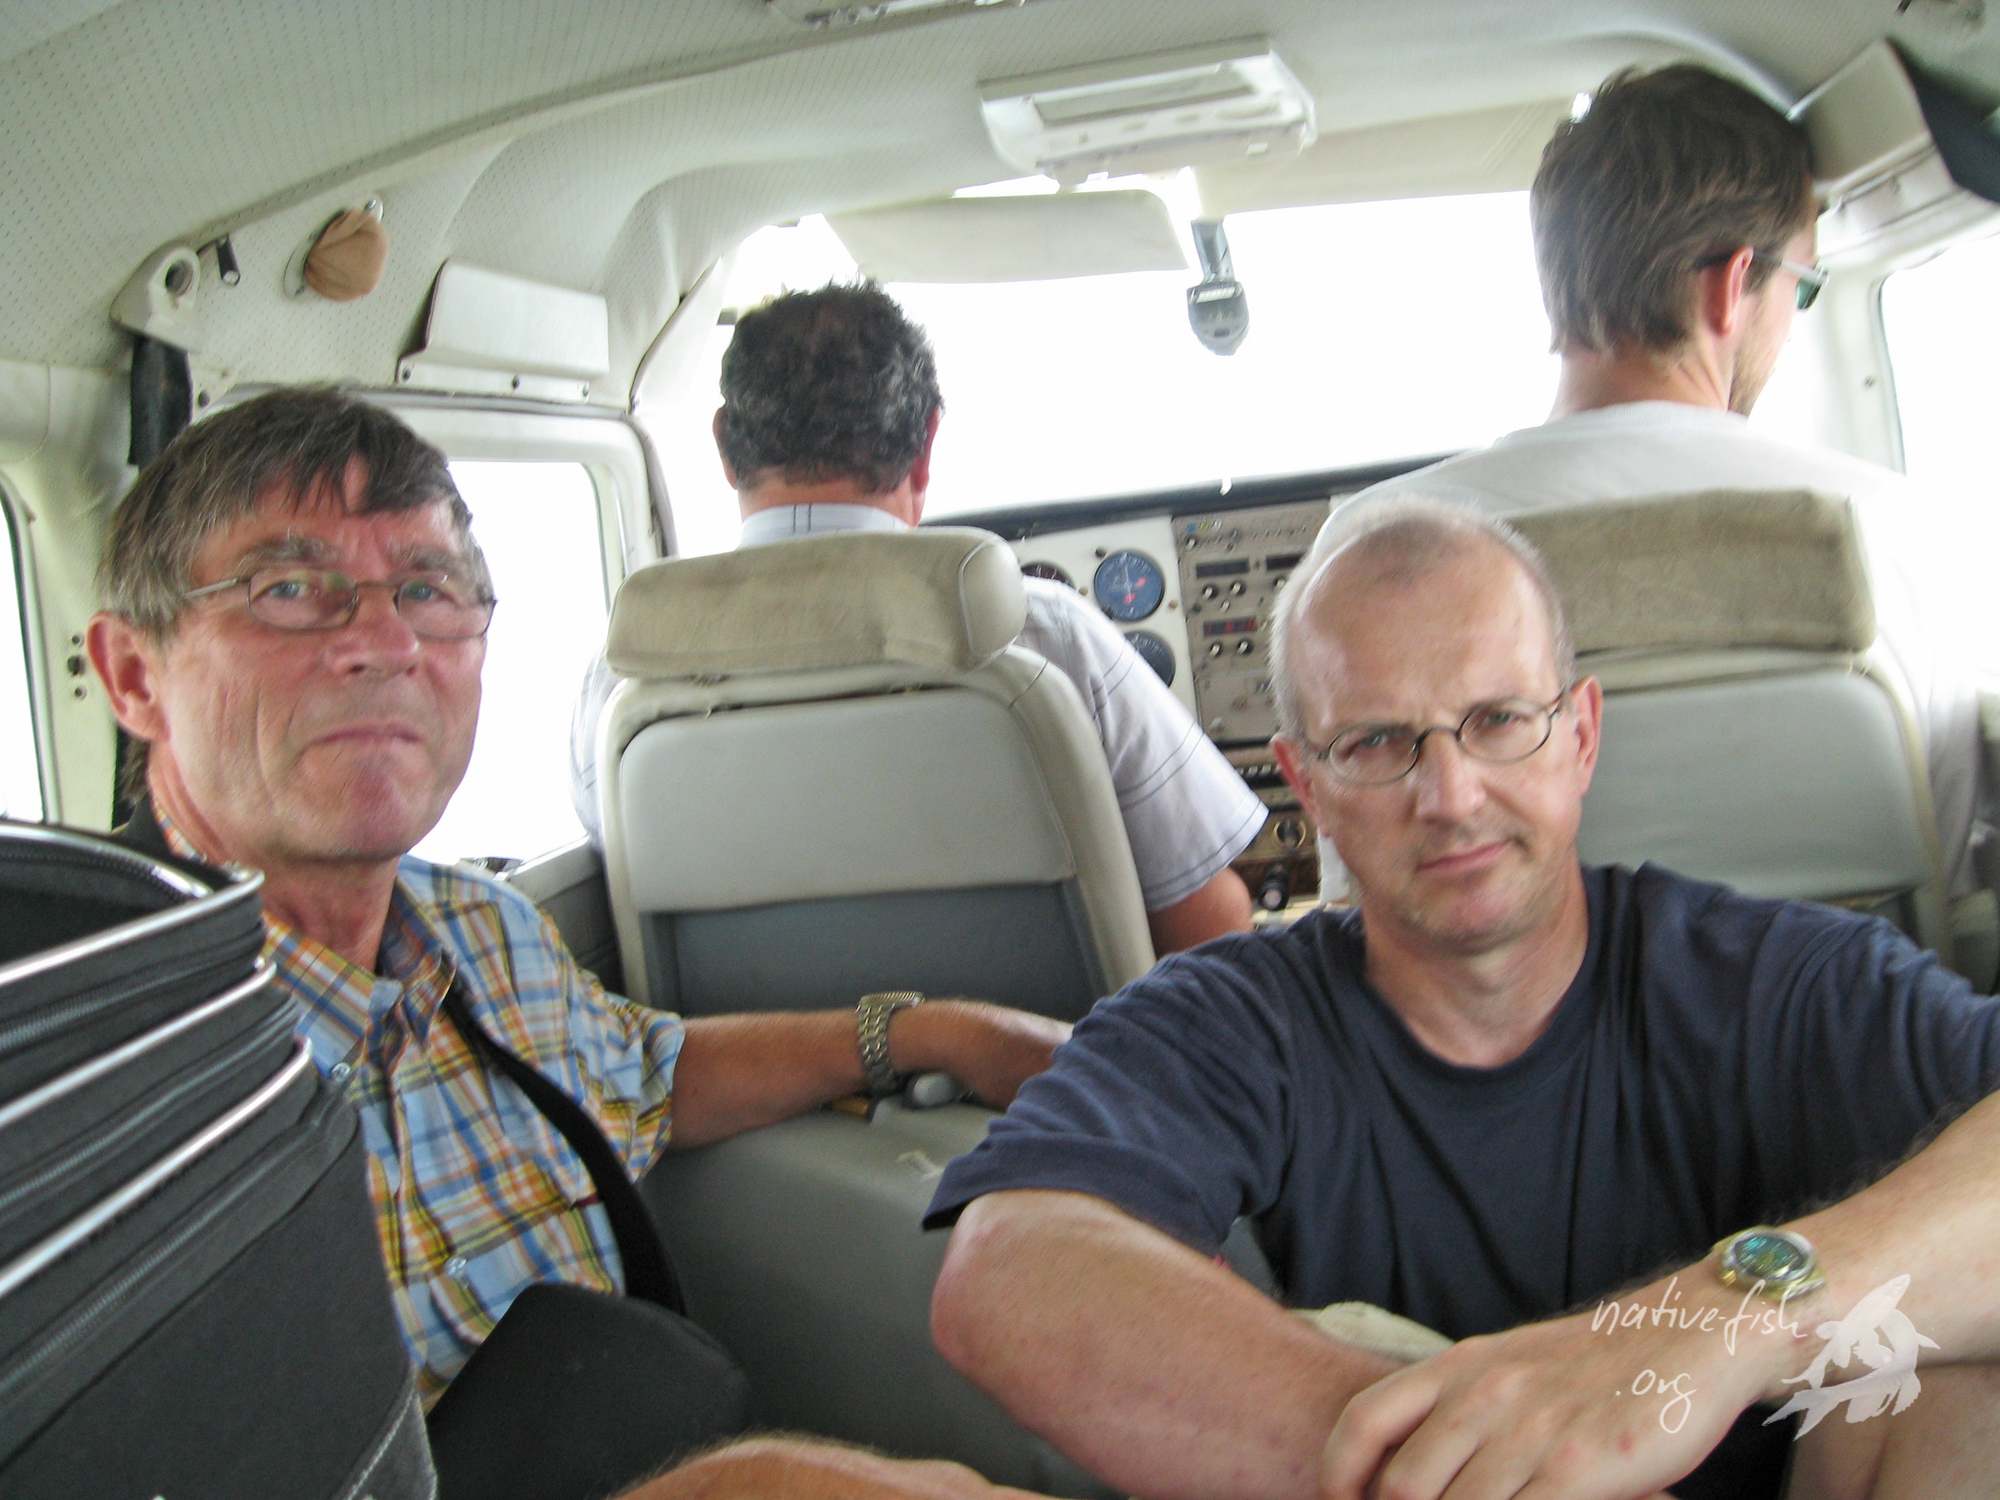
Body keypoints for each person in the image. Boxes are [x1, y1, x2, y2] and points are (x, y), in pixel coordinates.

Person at [85, 385, 1068, 1500]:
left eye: (425, 588)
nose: (385, 642)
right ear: (132, 675)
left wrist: (923, 1029)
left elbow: (646, 1075)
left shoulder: (479, 934)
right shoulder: (83, 1054)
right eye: (290, 589)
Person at [924, 498, 2000, 1500]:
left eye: (1496, 720)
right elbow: (1009, 1270)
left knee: (1956, 1380)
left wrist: (1716, 1321)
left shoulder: (1785, 982)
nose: (1448, 797)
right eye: (1377, 744)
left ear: (1579, 736)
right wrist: (1478, 1459)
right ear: (1308, 790)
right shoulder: (1228, 1019)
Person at [1324, 62, 1990, 901]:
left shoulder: (1372, 544)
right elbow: (1951, 866)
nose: (1789, 322)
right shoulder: (1892, 524)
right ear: (1729, 288)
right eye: (1802, 289)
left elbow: (1357, 889)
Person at [570, 282, 1264, 955]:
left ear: (724, 447)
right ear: (926, 443)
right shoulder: (1038, 633)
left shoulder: (625, 674)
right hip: (1054, 1070)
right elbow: (1209, 931)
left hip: (755, 1072)